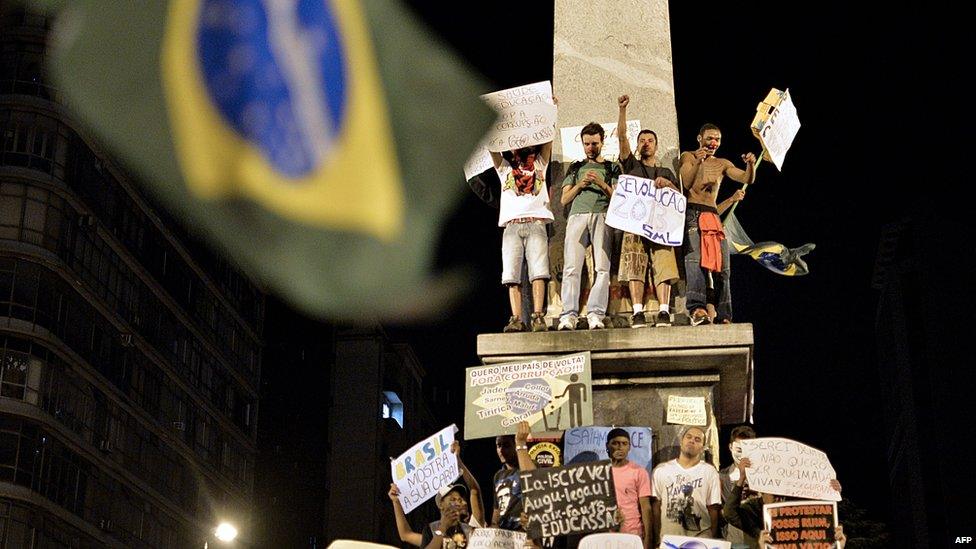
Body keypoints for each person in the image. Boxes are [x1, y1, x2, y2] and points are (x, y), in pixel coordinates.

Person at [678, 124, 756, 325]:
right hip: (692, 213)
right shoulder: (688, 156)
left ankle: (724, 315)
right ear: (699, 138)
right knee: (694, 261)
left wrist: (750, 165)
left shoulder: (722, 163)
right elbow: (686, 183)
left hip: (712, 216)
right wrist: (699, 160)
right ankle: (697, 309)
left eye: (718, 139)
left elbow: (746, 178)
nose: (714, 143)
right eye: (710, 138)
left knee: (723, 268)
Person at [615, 95, 681, 327]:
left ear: (656, 144)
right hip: (635, 225)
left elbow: (679, 201)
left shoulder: (666, 171)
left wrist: (669, 185)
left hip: (660, 226)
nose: (645, 143)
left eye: (650, 140)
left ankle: (664, 310)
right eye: (642, 139)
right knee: (635, 265)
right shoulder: (631, 165)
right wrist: (622, 110)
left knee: (663, 265)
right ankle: (637, 312)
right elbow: (621, 137)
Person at [557, 122, 620, 330]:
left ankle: (595, 313)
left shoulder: (611, 167)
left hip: (602, 215)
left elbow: (619, 198)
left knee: (602, 267)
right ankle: (568, 315)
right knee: (572, 267)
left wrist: (602, 184)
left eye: (594, 143)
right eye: (586, 144)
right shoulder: (576, 167)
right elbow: (564, 200)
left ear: (602, 142)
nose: (590, 148)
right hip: (577, 216)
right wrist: (580, 185)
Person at [491, 139, 555, 333]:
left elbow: (548, 143)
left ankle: (537, 316)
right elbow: (492, 150)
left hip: (536, 222)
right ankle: (516, 318)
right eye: (517, 148)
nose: (520, 150)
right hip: (512, 226)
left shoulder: (539, 165)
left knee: (539, 272)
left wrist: (550, 112)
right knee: (512, 275)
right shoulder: (505, 169)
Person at [724, 455, 843, 548]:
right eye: (773, 492)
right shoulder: (753, 509)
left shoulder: (795, 505)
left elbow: (820, 520)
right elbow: (729, 513)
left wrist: (832, 492)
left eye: (780, 492)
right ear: (762, 491)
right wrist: (741, 480)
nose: (778, 498)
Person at [390, 441, 485, 547]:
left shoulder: (470, 530)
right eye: (452, 500)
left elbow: (474, 491)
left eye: (459, 500)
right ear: (441, 504)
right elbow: (406, 535)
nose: (458, 503)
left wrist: (458, 461)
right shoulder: (431, 530)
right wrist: (396, 502)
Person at [651, 426, 722, 545]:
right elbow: (656, 506)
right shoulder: (661, 470)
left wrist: (711, 539)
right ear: (681, 441)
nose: (692, 440)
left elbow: (713, 509)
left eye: (697, 439)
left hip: (700, 539)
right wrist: (657, 538)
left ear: (703, 447)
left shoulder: (710, 472)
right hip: (669, 540)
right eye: (688, 437)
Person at [606, 428, 653, 549]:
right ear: (608, 445)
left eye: (624, 444)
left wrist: (648, 539)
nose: (619, 447)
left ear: (629, 447)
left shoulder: (639, 472)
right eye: (615, 443)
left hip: (632, 534)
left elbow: (645, 507)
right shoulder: (599, 472)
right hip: (605, 535)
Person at [492, 421, 536, 530]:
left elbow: (534, 483)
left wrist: (521, 443)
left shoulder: (528, 466)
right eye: (498, 445)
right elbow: (497, 510)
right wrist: (493, 526)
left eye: (506, 445)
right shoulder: (498, 476)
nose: (501, 450)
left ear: (514, 445)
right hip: (504, 537)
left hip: (524, 533)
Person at [719, 425, 757, 546]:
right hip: (734, 539)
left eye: (747, 451)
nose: (742, 456)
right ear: (731, 447)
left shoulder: (763, 475)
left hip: (757, 538)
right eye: (739, 450)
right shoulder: (722, 477)